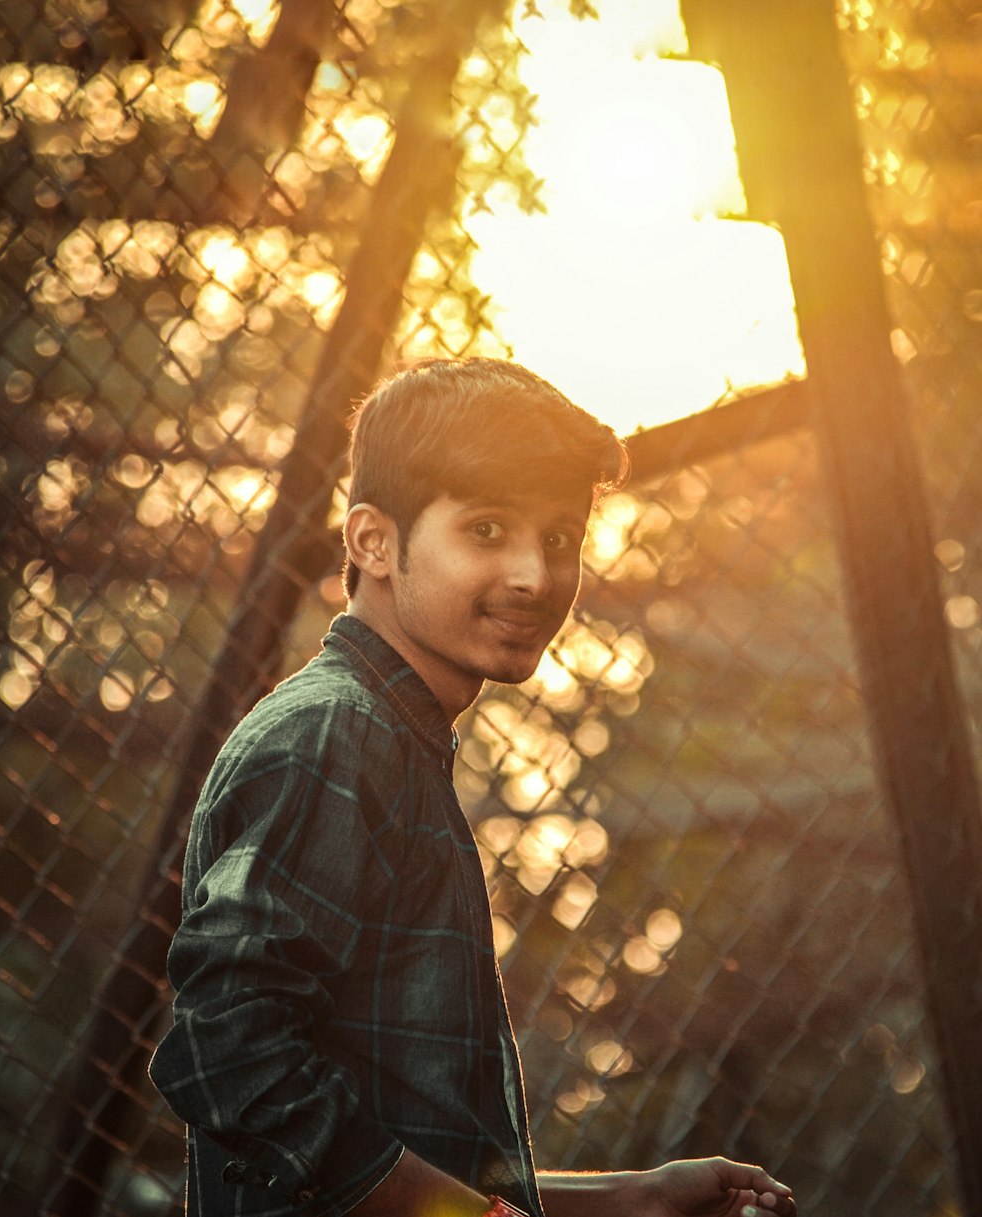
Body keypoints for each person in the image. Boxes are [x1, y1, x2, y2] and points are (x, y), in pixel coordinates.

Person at [149, 358, 797, 1217]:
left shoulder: (391, 740)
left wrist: (632, 1198)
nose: (534, 574)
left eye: (560, 538)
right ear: (372, 541)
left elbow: (401, 1166)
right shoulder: (334, 737)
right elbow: (227, 1052)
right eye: (487, 529)